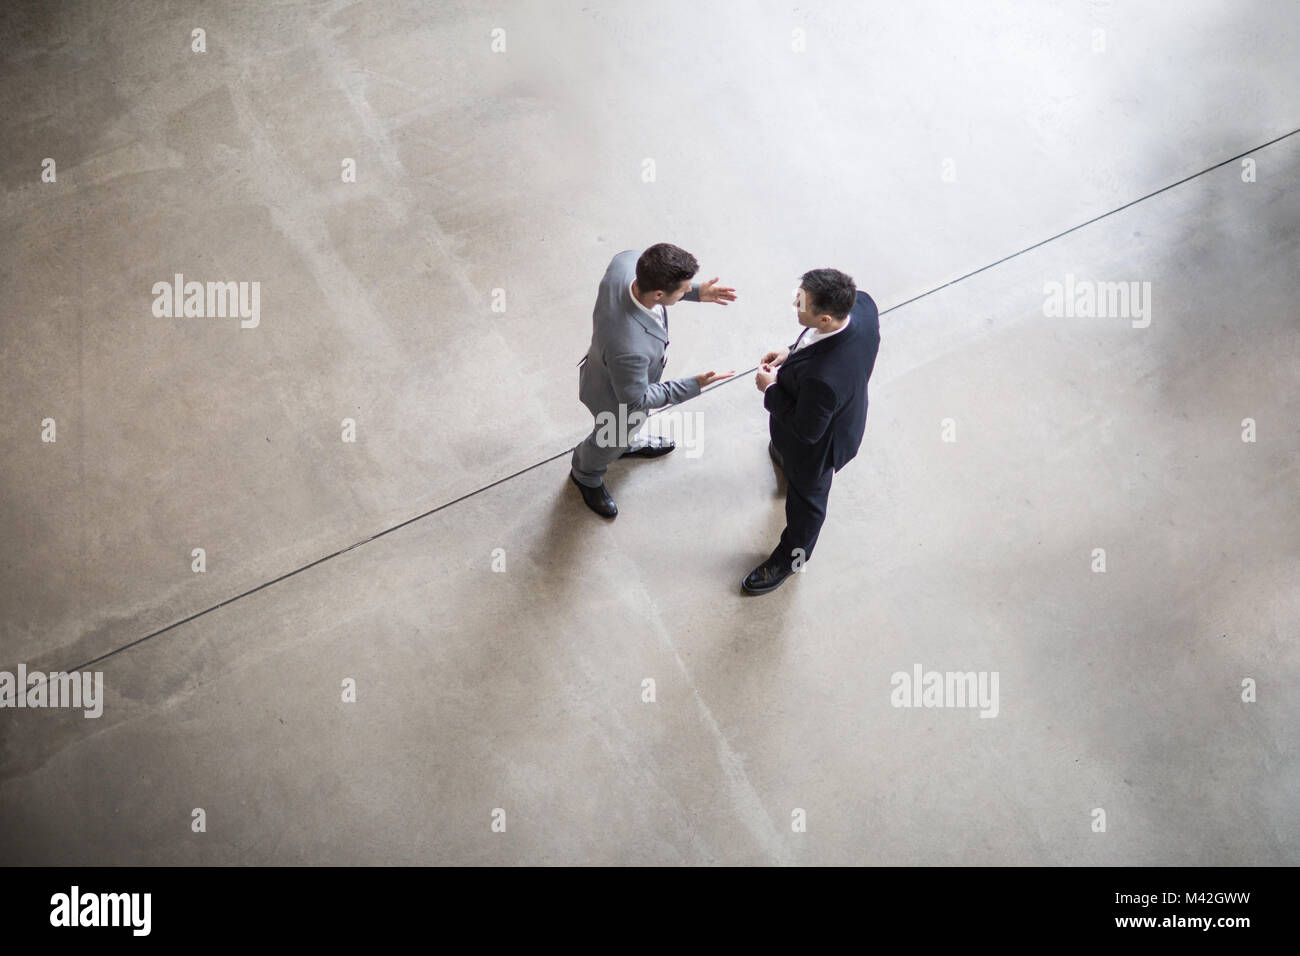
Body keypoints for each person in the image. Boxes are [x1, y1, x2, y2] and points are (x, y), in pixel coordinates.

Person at [571, 243, 736, 518]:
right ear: (658, 293)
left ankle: (627, 444)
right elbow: (636, 400)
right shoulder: (629, 348)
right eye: (684, 289)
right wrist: (694, 384)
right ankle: (585, 474)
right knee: (608, 440)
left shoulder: (627, 264)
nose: (688, 290)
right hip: (617, 402)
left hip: (610, 371)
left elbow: (654, 281)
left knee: (625, 434)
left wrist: (696, 293)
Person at [744, 268, 880, 594]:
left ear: (826, 319)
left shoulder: (825, 380)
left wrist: (771, 389)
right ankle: (784, 458)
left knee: (807, 503)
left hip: (817, 448)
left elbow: (807, 431)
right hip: (820, 407)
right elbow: (820, 348)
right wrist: (792, 354)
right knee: (786, 450)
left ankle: (791, 558)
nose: (795, 301)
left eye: (802, 303)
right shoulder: (862, 304)